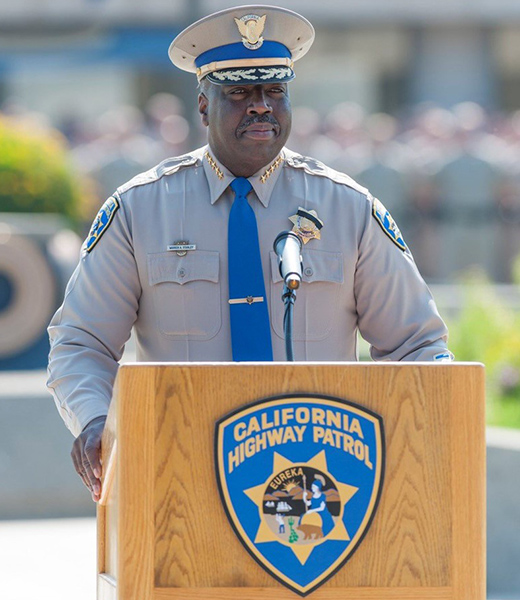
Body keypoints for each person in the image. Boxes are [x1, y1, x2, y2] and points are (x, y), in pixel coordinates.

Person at [47, 5, 452, 502]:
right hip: (180, 479)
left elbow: (417, 344)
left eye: (275, 92)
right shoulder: (140, 210)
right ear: (202, 106)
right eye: (239, 92)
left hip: (322, 491)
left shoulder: (347, 209)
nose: (261, 106)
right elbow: (81, 342)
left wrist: (428, 426)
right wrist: (94, 421)